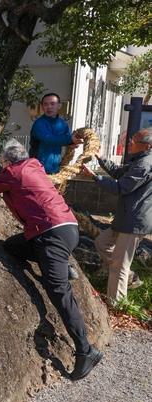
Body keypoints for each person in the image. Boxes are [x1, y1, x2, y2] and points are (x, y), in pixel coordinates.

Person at [0, 140, 103, 381]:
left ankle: (86, 351)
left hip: (51, 233)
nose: (2, 168)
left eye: (3, 164)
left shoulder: (14, 172)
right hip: (65, 229)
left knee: (58, 291)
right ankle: (60, 265)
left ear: (8, 162)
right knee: (12, 245)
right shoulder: (34, 167)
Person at [79, 129, 152, 304]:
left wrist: (94, 177)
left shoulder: (145, 164)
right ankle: (128, 274)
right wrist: (100, 158)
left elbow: (121, 188)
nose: (129, 143)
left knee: (119, 266)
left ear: (146, 146)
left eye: (133, 140)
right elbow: (121, 174)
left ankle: (116, 304)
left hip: (134, 220)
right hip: (127, 218)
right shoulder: (141, 160)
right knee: (102, 242)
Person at [29, 93, 83, 174]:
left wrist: (73, 142)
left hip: (55, 169)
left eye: (52, 104)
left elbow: (69, 139)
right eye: (45, 104)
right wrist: (70, 140)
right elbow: (49, 139)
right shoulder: (39, 124)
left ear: (59, 105)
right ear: (42, 107)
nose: (49, 107)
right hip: (37, 169)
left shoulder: (63, 124)